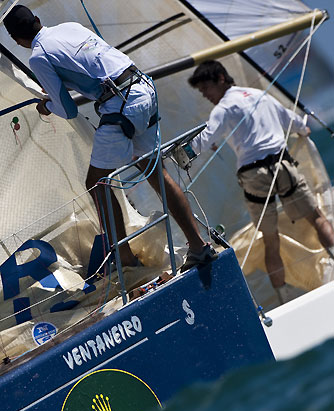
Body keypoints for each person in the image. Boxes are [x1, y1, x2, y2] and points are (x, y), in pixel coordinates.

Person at [4, 5, 217, 272]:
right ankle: (199, 247)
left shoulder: (38, 56)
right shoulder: (70, 26)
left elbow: (68, 110)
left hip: (122, 104)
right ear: (37, 19)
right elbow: (88, 64)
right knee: (155, 172)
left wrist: (46, 106)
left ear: (15, 40)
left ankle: (126, 261)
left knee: (97, 182)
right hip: (141, 87)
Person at [188, 60, 334, 303]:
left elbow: (201, 142)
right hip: (285, 167)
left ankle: (284, 297)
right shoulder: (260, 96)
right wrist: (304, 134)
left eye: (206, 89)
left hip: (255, 177)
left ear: (221, 78)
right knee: (317, 218)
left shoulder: (223, 109)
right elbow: (297, 125)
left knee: (270, 239)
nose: (206, 96)